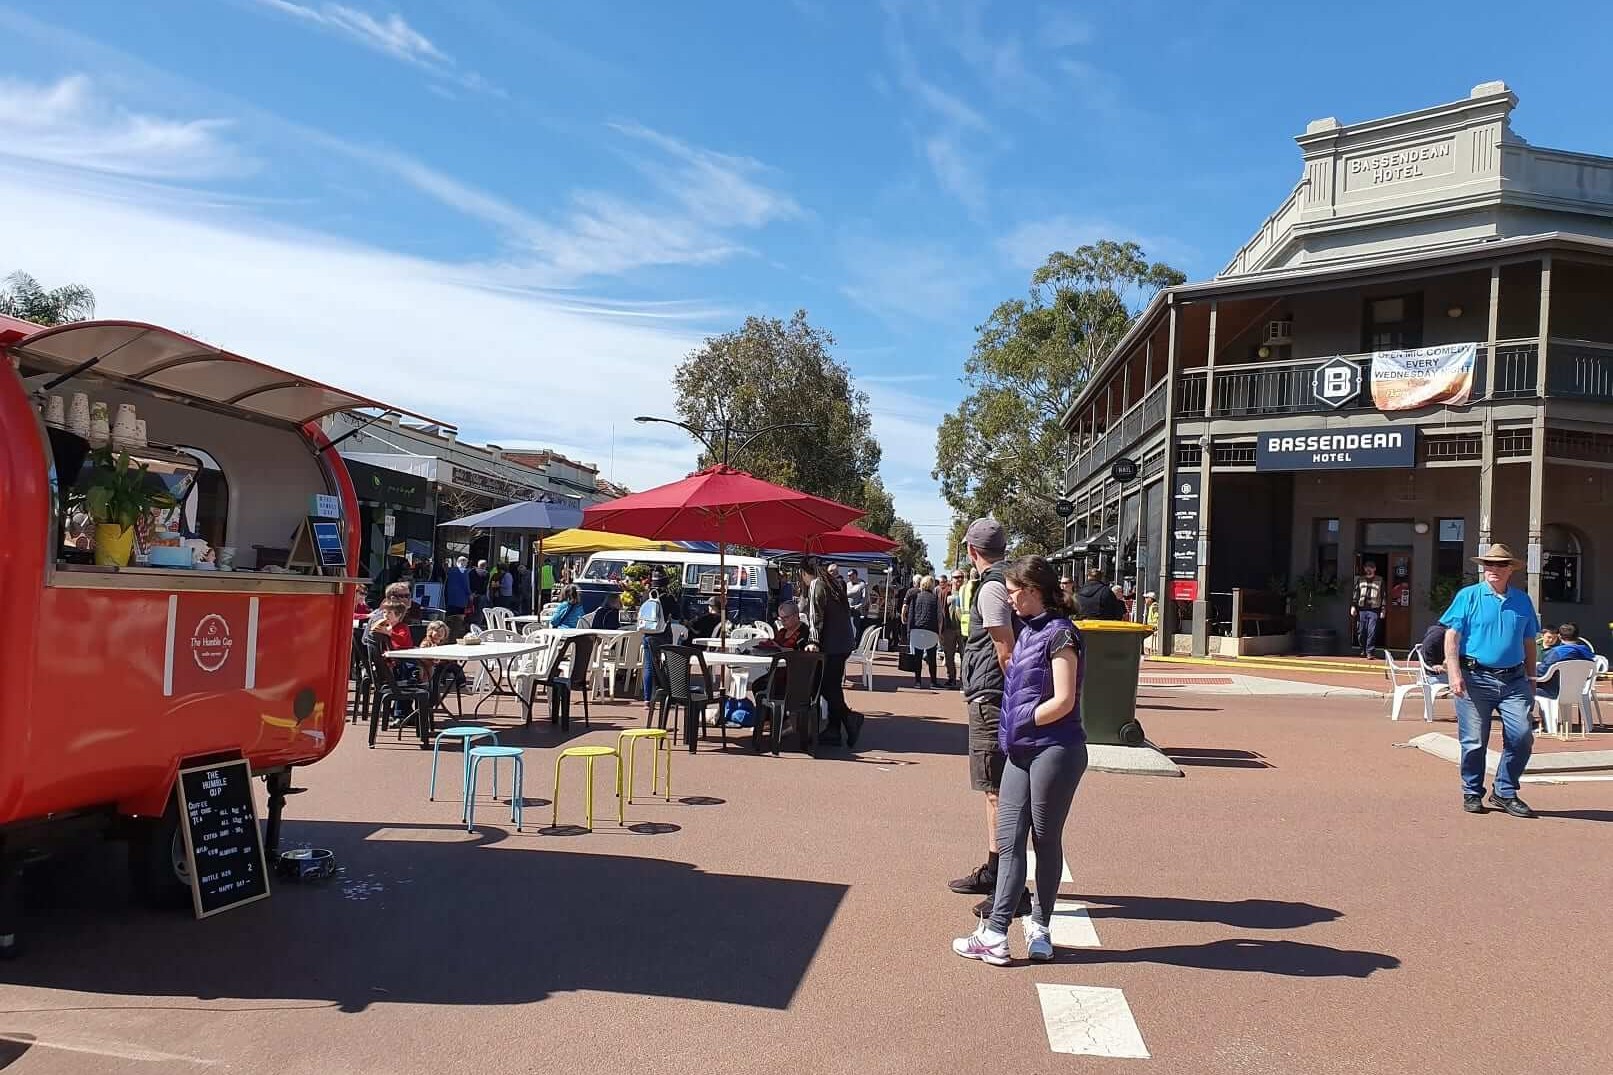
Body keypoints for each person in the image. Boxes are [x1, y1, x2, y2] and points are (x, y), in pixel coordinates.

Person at [952, 555, 1087, 966]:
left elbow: (1063, 700)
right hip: (1022, 749)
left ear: (1032, 590)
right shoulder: (1029, 630)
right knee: (1010, 842)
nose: (1008, 601)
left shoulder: (1062, 634)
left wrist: (1023, 718)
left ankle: (1041, 927)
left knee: (1044, 840)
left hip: (1054, 750)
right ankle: (996, 933)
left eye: (1013, 593)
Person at [949, 517, 1029, 916]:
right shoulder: (1006, 581)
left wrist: (1016, 697)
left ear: (971, 551)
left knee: (998, 792)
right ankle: (997, 870)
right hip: (993, 693)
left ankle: (1011, 890)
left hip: (992, 697)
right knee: (993, 789)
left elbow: (1006, 649)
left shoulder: (991, 589)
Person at [1441, 544, 1540, 818]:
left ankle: (1505, 791)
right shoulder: (1469, 596)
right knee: (1473, 740)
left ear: (1510, 570)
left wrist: (1532, 677)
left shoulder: (1522, 600)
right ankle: (1472, 791)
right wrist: (1454, 673)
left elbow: (1529, 641)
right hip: (1475, 678)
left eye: (1499, 565)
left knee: (1521, 737)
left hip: (1514, 680)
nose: (1493, 570)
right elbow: (1452, 636)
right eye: (1489, 565)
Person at [801, 556, 863, 747]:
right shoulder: (833, 584)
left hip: (831, 644)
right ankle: (834, 730)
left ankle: (849, 718)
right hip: (843, 643)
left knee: (825, 686)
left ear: (803, 573)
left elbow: (815, 616)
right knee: (832, 685)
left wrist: (813, 640)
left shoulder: (816, 585)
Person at [1535, 621, 1594, 700]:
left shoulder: (1557, 652)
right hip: (1579, 691)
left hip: (1553, 692)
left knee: (1522, 689)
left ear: (1559, 636)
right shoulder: (1587, 651)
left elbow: (1541, 672)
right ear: (1577, 636)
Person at [905, 575, 941, 688]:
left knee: (917, 657)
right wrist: (939, 631)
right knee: (932, 657)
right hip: (931, 630)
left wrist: (909, 630)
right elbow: (939, 616)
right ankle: (933, 681)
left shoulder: (916, 597)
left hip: (917, 629)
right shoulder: (935, 598)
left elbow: (911, 614)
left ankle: (917, 681)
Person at [1350, 559, 1387, 660]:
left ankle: (1370, 652)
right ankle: (1363, 649)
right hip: (1362, 609)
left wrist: (1383, 609)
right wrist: (1353, 606)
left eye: (1371, 567)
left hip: (1374, 609)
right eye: (1367, 567)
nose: (1368, 569)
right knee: (1361, 631)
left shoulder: (1380, 580)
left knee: (1372, 631)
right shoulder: (1360, 580)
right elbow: (1356, 593)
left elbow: (1383, 595)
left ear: (1374, 569)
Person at [939, 574, 963, 689]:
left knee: (965, 656)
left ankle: (964, 679)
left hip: (963, 629)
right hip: (949, 629)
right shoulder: (945, 592)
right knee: (949, 655)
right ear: (951, 579)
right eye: (956, 577)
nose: (959, 579)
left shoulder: (967, 591)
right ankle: (951, 678)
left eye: (961, 577)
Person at [846, 569, 868, 638]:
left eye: (851, 575)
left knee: (856, 627)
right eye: (848, 576)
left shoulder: (862, 584)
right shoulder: (847, 584)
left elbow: (864, 598)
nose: (849, 577)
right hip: (847, 609)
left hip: (856, 610)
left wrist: (859, 605)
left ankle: (856, 643)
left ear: (855, 575)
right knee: (847, 626)